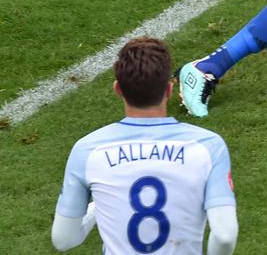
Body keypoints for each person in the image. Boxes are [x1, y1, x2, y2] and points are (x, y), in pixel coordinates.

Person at [54, 38, 237, 254]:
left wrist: (95, 209)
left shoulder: (87, 149)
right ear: (168, 90)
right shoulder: (208, 146)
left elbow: (64, 239)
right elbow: (225, 236)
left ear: (118, 89)